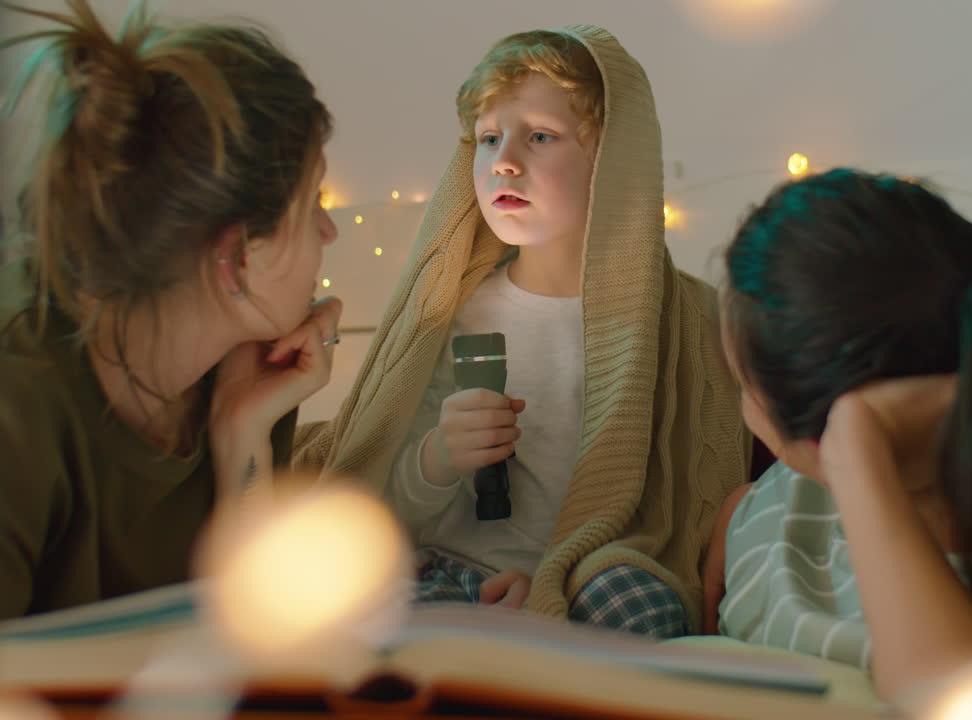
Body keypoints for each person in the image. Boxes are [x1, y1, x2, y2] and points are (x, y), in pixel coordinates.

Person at [292, 26, 749, 638]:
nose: (505, 159)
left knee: (640, 606)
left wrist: (546, 585)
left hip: (589, 576)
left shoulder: (684, 319)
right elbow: (382, 494)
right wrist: (437, 458)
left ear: (613, 160)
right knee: (354, 601)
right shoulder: (448, 312)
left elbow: (678, 505)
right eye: (488, 138)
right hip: (453, 570)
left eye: (539, 136)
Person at [0, 0, 341, 624]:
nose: (328, 232)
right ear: (235, 258)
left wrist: (241, 436)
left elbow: (254, 641)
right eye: (312, 206)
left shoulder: (245, 367)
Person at [701, 168, 972, 699]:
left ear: (809, 441)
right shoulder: (762, 510)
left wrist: (858, 448)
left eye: (743, 386)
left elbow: (956, 699)